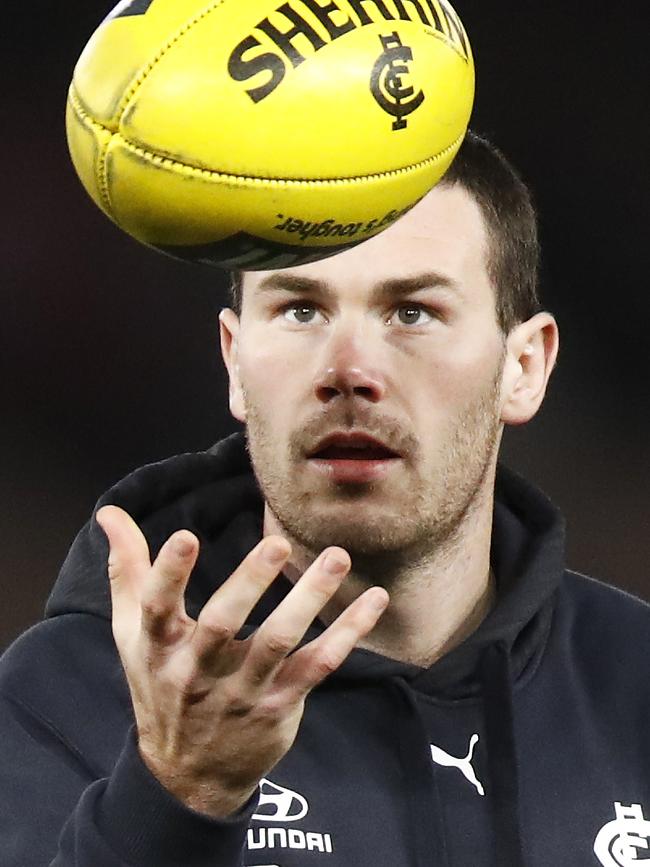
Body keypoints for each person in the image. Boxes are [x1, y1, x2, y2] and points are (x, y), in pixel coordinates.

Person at [1, 131, 648, 867]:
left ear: (523, 366)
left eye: (412, 311)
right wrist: (179, 793)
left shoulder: (634, 685)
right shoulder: (65, 694)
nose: (350, 370)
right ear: (236, 363)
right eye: (301, 310)